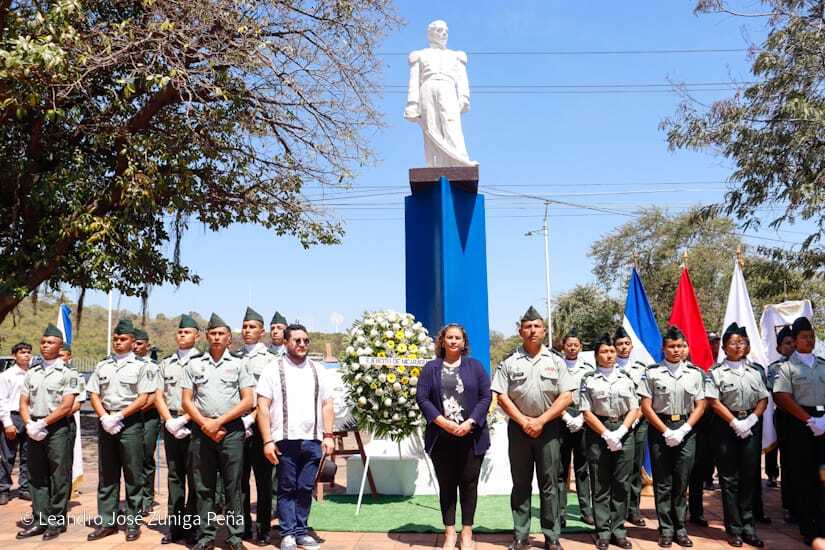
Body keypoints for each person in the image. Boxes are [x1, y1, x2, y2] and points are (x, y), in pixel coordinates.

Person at [491, 306, 574, 550]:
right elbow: (501, 395)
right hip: (519, 430)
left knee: (549, 484)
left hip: (549, 430)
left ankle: (551, 536)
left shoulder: (556, 361)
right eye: (527, 327)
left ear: (543, 330)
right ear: (520, 331)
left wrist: (540, 420)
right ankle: (520, 535)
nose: (532, 330)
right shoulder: (509, 362)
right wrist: (524, 421)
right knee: (521, 483)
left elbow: (566, 396)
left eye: (537, 326)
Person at [256, 323, 334, 550]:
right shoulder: (273, 369)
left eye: (306, 341)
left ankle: (302, 530)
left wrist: (328, 435)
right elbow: (262, 406)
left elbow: (328, 403)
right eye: (297, 340)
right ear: (286, 342)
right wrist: (267, 441)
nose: (302, 344)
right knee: (287, 487)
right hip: (284, 440)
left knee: (305, 487)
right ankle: (288, 532)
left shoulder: (318, 369)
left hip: (312, 439)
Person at [416, 323, 492, 550]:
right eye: (449, 337)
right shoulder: (431, 368)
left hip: (471, 436)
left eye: (457, 337)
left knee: (469, 485)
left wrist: (470, 422)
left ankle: (466, 532)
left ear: (464, 342)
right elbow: (422, 398)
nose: (453, 341)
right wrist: (443, 422)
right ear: (442, 341)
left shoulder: (475, 367)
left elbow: (486, 397)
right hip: (442, 436)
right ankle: (449, 532)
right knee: (447, 485)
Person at [183, 313, 254, 550]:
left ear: (228, 338)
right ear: (206, 336)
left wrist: (219, 422)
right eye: (212, 333)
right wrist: (206, 424)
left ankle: (235, 536)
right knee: (204, 486)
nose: (216, 337)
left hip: (231, 431)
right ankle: (206, 535)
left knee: (233, 486)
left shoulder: (239, 364)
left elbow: (247, 401)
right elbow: (186, 401)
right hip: (202, 430)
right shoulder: (194, 363)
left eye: (221, 333)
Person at [87, 318, 155, 542]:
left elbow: (144, 397)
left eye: (123, 339)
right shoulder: (102, 365)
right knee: (107, 474)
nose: (118, 342)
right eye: (115, 338)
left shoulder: (142, 367)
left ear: (132, 341)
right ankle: (107, 521)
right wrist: (105, 417)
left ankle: (132, 523)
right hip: (106, 422)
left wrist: (119, 416)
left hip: (130, 423)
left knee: (133, 474)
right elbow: (94, 394)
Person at [639, 326, 706, 549]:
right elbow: (646, 406)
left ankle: (681, 528)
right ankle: (666, 529)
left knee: (681, 480)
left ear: (685, 348)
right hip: (660, 428)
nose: (676, 350)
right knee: (663, 482)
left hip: (686, 429)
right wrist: (666, 431)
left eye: (680, 346)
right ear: (664, 348)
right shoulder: (652, 372)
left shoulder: (695, 373)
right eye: (671, 346)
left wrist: (684, 429)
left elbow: (701, 405)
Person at [704, 323, 768, 548]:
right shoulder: (716, 372)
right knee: (729, 479)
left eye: (742, 342)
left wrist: (752, 419)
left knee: (749, 477)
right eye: (733, 342)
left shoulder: (756, 371)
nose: (738, 346)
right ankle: (734, 529)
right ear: (724, 347)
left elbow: (763, 398)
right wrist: (733, 422)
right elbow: (713, 400)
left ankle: (749, 527)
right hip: (725, 427)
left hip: (751, 425)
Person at [16, 324, 80, 540]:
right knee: (36, 474)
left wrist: (42, 423)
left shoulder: (69, 373)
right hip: (33, 426)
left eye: (50, 342)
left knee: (58, 475)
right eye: (43, 342)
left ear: (60, 345)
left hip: (57, 427)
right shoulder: (32, 372)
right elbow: (23, 401)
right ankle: (39, 519)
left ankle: (56, 521)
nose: (45, 346)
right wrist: (28, 423)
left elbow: (66, 405)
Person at [580, 334, 639, 550]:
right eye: (604, 352)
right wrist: (606, 434)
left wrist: (621, 431)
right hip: (598, 433)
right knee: (601, 484)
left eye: (612, 351)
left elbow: (635, 407)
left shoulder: (627, 378)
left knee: (622, 483)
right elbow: (586, 411)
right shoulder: (588, 379)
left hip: (624, 431)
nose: (609, 355)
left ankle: (619, 531)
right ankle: (603, 531)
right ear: (596, 356)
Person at [772, 316, 825, 545]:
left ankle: (823, 524)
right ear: (795, 340)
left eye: (812, 336)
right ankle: (808, 528)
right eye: (804, 337)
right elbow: (782, 396)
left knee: (823, 476)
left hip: (824, 422)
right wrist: (809, 420)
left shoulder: (823, 363)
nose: (809, 340)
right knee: (804, 477)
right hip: (800, 423)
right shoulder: (786, 367)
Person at [404, 19, 476, 167]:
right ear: (430, 34)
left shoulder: (456, 55)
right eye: (439, 30)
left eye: (445, 31)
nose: (443, 33)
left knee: (451, 123)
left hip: (448, 87)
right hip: (427, 88)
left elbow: (462, 79)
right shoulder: (420, 55)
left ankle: (460, 161)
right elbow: (414, 80)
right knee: (431, 126)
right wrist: (412, 104)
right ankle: (434, 164)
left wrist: (464, 97)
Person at [155, 313, 201, 545]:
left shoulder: (201, 362)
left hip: (194, 424)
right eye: (180, 332)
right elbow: (158, 394)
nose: (182, 335)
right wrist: (169, 421)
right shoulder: (166, 363)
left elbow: (201, 398)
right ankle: (175, 527)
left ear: (197, 336)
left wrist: (184, 419)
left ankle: (191, 526)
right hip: (171, 424)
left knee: (195, 477)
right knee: (174, 476)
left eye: (187, 332)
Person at [238, 307, 276, 545]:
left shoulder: (273, 361)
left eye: (252, 327)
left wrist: (251, 419)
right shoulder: (234, 357)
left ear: (262, 332)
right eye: (244, 327)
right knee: (238, 482)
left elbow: (272, 397)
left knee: (263, 482)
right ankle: (242, 527)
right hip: (237, 428)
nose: (248, 331)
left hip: (260, 426)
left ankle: (262, 528)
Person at [558, 330, 595, 527]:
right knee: (561, 469)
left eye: (576, 345)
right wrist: (564, 415)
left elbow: (592, 394)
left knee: (583, 468)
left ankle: (585, 510)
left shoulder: (588, 368)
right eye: (569, 344)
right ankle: (560, 512)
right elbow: (551, 394)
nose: (572, 348)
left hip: (583, 419)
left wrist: (581, 417)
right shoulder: (555, 366)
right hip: (561, 419)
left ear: (580, 347)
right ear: (563, 346)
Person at [612, 327, 648, 527]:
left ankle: (633, 509)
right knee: (615, 468)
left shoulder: (641, 368)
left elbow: (645, 397)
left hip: (639, 423)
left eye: (626, 344)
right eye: (619, 344)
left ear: (632, 345)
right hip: (616, 423)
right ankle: (615, 508)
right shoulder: (608, 366)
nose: (623, 347)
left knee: (635, 466)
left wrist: (636, 418)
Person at [768, 325, 796, 524]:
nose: (792, 346)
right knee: (789, 463)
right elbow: (777, 394)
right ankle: (790, 506)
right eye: (787, 343)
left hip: (813, 418)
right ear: (779, 348)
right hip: (787, 418)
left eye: (794, 342)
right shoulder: (774, 368)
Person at [0, 342, 32, 504]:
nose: (26, 355)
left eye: (28, 352)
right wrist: (7, 423)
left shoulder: (34, 374)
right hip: (13, 417)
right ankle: (3, 488)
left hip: (30, 418)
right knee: (8, 456)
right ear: (14, 355)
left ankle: (25, 487)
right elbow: (2, 400)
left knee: (28, 455)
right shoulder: (7, 375)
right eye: (22, 352)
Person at [134, 327, 161, 515]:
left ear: (147, 345)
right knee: (129, 460)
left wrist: (135, 410)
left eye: (139, 343)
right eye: (133, 343)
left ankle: (146, 498)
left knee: (145, 458)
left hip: (147, 417)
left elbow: (155, 396)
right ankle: (132, 497)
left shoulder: (153, 367)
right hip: (127, 418)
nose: (135, 347)